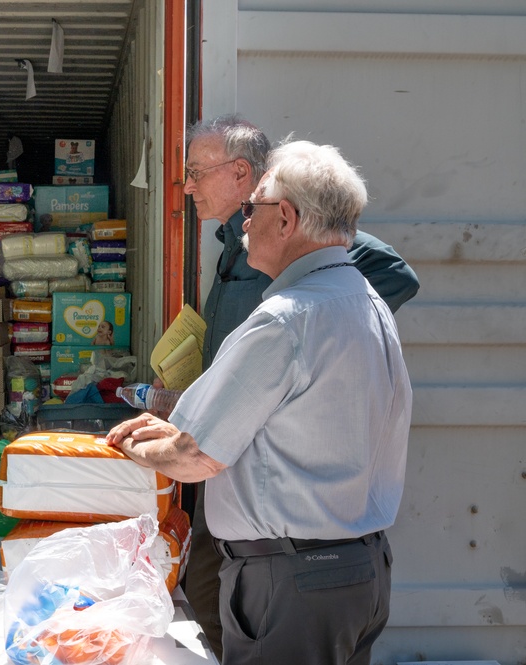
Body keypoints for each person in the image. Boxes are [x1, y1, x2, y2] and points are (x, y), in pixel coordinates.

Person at [107, 140, 411, 665]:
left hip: (293, 583)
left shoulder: (287, 318)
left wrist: (136, 448)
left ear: (287, 219)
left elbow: (195, 457)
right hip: (359, 573)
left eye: (254, 207)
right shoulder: (367, 301)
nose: (244, 221)